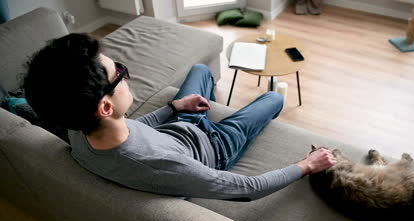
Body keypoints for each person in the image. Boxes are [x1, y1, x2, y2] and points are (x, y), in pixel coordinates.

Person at [22, 33, 336, 201]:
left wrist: (175, 108)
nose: (125, 74)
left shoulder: (79, 128)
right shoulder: (161, 165)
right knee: (273, 98)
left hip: (179, 127)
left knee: (200, 70)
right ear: (104, 107)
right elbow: (247, 188)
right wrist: (307, 165)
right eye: (119, 73)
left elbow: (132, 129)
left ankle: (197, 108)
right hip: (216, 148)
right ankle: (220, 119)